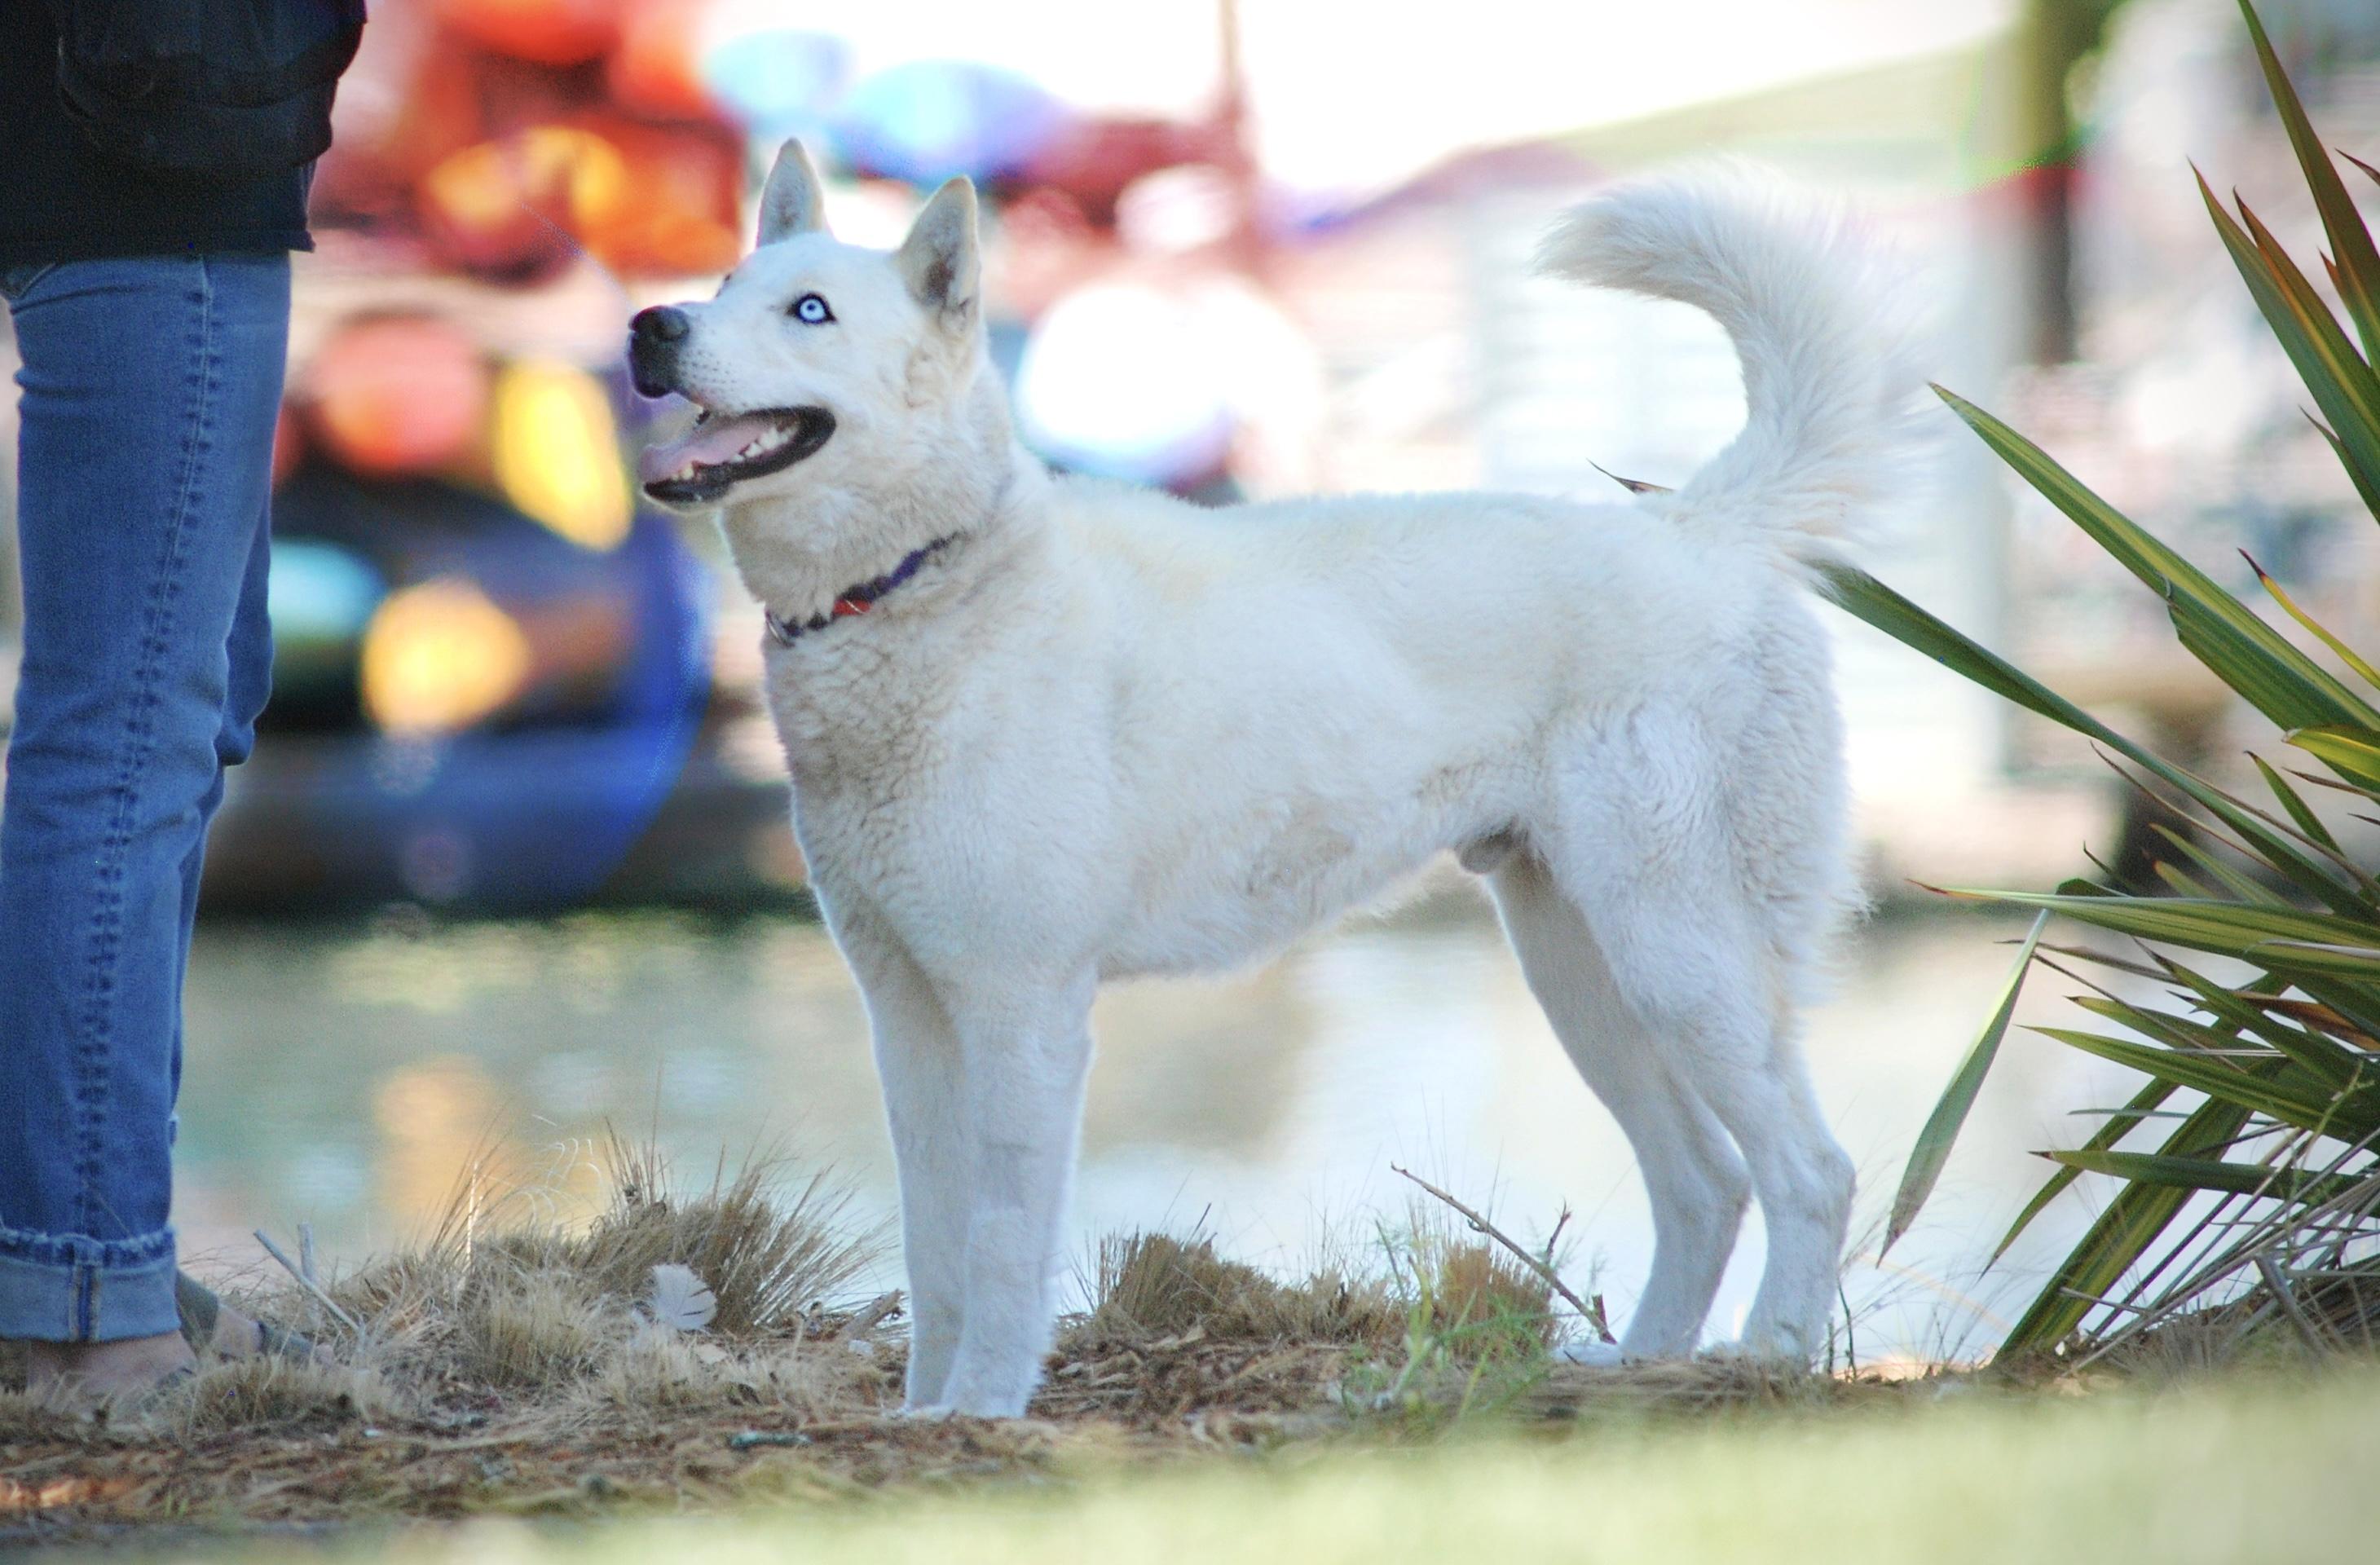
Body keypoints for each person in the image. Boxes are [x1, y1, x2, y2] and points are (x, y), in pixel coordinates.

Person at [0, 0, 364, 1407]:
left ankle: (84, 1251)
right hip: (136, 146)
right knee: (124, 739)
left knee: (183, 704)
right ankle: (85, 1300)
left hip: (131, 134)